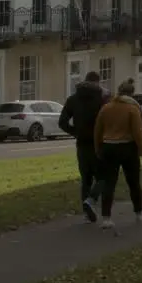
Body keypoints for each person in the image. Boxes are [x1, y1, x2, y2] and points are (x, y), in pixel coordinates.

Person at [92, 77, 142, 229]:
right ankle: (138, 211)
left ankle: (106, 218)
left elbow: (97, 130)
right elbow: (137, 133)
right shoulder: (132, 109)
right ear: (131, 94)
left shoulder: (106, 108)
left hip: (108, 147)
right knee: (133, 182)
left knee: (109, 182)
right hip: (127, 147)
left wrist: (98, 148)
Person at [58, 70, 106, 223]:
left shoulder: (73, 99)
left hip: (82, 143)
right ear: (98, 82)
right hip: (99, 143)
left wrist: (75, 132)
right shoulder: (102, 99)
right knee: (104, 176)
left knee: (86, 179)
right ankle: (91, 200)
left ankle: (86, 212)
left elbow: (62, 122)